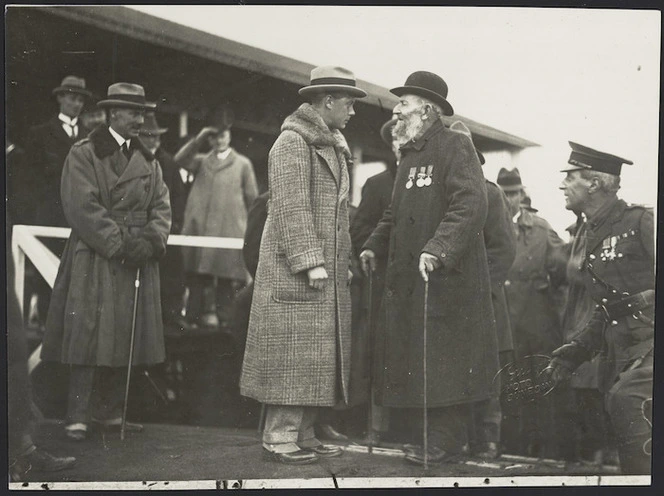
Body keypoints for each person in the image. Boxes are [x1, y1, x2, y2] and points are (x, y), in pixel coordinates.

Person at [359, 71, 499, 465]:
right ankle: (440, 441)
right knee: (425, 360)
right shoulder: (411, 154)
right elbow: (394, 211)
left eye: (404, 103)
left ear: (427, 108)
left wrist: (439, 247)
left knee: (446, 362)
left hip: (447, 278)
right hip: (416, 280)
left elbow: (471, 203)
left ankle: (445, 443)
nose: (397, 110)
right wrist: (373, 245)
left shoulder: (454, 145)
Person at [240, 66, 366, 465]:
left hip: (320, 273)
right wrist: (311, 262)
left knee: (314, 359)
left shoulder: (327, 145)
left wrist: (337, 263)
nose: (352, 112)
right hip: (297, 273)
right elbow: (292, 208)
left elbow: (334, 216)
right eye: (348, 103)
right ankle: (279, 438)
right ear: (326, 101)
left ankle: (304, 433)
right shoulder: (292, 143)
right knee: (292, 359)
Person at [40, 82, 172, 441]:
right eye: (133, 113)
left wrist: (151, 241)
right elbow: (80, 206)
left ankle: (111, 412)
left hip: (137, 255)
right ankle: (78, 414)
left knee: (126, 333)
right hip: (96, 253)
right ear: (114, 113)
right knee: (88, 331)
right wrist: (119, 244)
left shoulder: (148, 159)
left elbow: (162, 207)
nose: (140, 120)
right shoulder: (83, 153)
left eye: (143, 113)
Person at [547, 142, 653, 475]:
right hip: (618, 354)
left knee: (626, 401)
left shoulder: (642, 221)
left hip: (648, 349)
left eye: (571, 177)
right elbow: (607, 307)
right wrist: (575, 351)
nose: (562, 184)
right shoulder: (593, 231)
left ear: (594, 184)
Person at [449, 121, 517, 460]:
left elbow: (504, 251)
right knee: (453, 373)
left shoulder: (491, 194)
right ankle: (457, 439)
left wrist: (474, 292)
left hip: (485, 304)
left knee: (488, 375)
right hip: (451, 307)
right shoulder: (443, 196)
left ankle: (488, 440)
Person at [496, 167, 567, 458]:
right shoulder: (488, 226)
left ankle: (544, 451)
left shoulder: (540, 228)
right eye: (504, 193)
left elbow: (563, 267)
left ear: (522, 194)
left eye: (514, 193)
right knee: (506, 384)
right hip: (502, 318)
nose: (510, 199)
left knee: (540, 384)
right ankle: (509, 446)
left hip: (536, 320)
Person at [175, 113, 259, 328]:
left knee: (225, 283)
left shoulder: (242, 164)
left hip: (228, 230)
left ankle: (227, 326)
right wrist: (200, 138)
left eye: (223, 136)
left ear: (229, 136)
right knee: (197, 280)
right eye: (214, 137)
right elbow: (179, 160)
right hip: (200, 229)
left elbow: (253, 200)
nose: (219, 141)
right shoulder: (202, 161)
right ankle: (192, 322)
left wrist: (249, 230)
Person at [22, 76, 93, 328]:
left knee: (79, 267)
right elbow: (28, 178)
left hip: (80, 216)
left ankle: (73, 322)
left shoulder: (91, 136)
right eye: (72, 97)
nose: (77, 103)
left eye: (81, 99)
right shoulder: (39, 134)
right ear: (60, 98)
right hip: (49, 214)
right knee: (45, 266)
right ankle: (45, 320)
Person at [349, 117, 398, 443]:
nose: (401, 147)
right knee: (382, 354)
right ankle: (377, 428)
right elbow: (361, 231)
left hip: (424, 282)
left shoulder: (432, 181)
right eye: (395, 142)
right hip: (385, 287)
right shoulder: (378, 184)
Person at [138, 112, 189, 329]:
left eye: (155, 135)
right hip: (141, 228)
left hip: (166, 229)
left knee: (170, 275)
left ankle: (171, 317)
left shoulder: (168, 162)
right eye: (148, 135)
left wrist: (175, 223)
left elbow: (178, 194)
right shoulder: (132, 159)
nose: (153, 140)